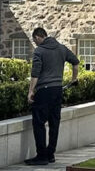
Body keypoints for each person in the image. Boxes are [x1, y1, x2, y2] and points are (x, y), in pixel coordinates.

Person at [25, 27, 79, 166]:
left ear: (38, 37)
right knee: (54, 123)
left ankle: (41, 156)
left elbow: (35, 73)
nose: (35, 43)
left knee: (39, 123)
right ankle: (50, 154)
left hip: (44, 91)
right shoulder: (61, 48)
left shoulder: (39, 51)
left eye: (34, 40)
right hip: (57, 90)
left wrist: (31, 91)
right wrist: (74, 79)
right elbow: (75, 62)